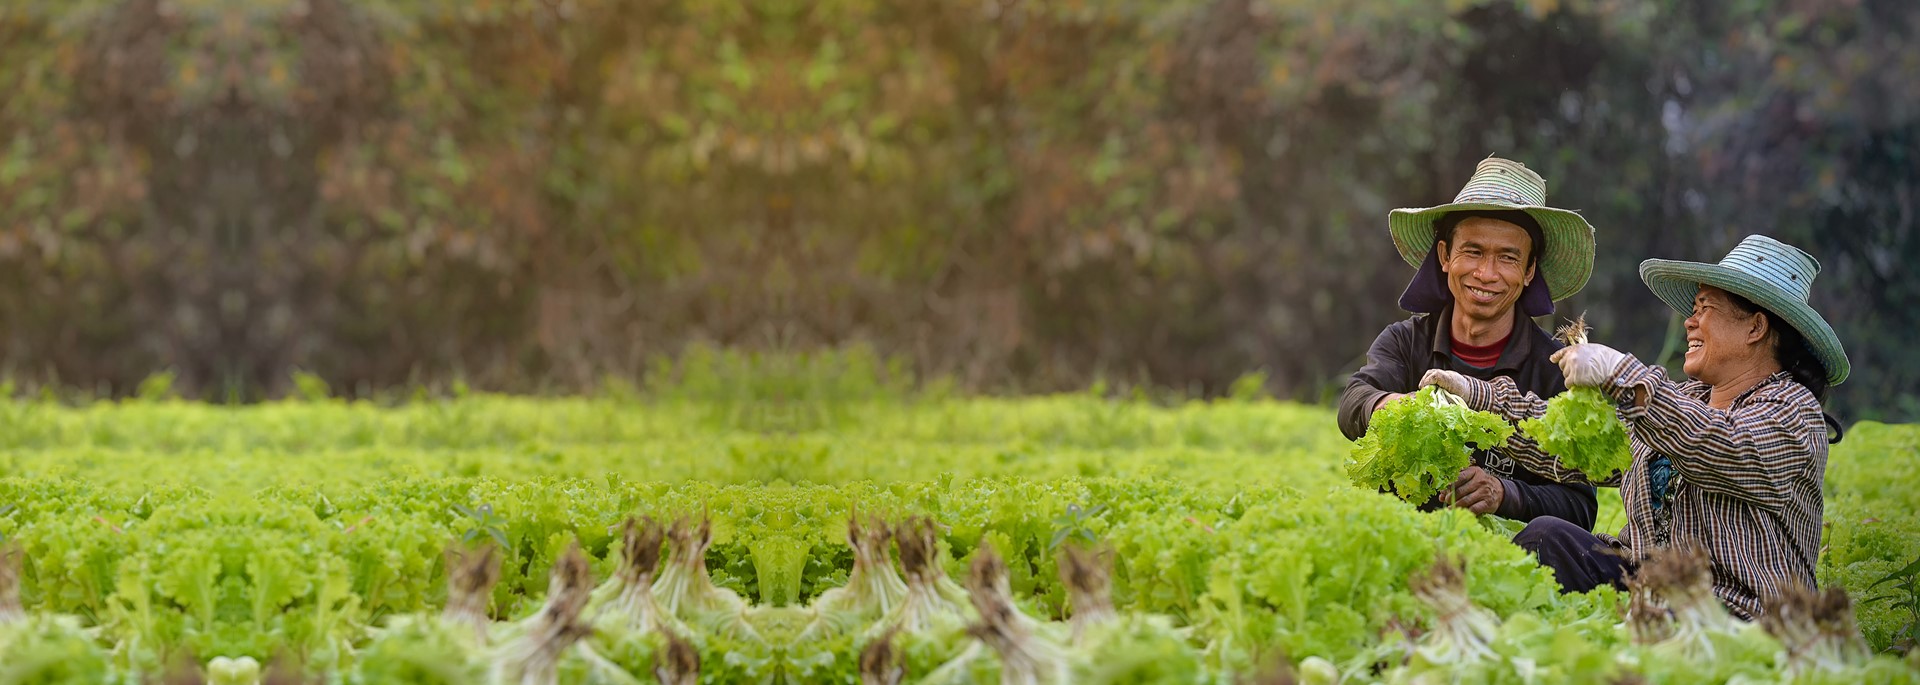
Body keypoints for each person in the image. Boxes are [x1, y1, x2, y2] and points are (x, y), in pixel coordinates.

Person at [1422, 235, 1847, 620]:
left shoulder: (1793, 411)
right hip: (1647, 590)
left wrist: (1620, 375)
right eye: (1692, 310)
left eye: (1704, 311)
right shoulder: (1687, 399)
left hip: (1735, 612)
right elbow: (1577, 448)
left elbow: (1721, 445)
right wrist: (1480, 397)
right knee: (1548, 538)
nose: (1689, 322)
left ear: (1756, 327)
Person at [1340, 156, 1600, 529]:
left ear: (1529, 272)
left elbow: (1580, 507)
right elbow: (1353, 401)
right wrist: (1392, 405)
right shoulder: (1405, 342)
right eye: (1473, 251)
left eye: (1507, 258)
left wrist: (1505, 494)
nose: (1486, 273)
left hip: (1503, 561)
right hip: (1408, 548)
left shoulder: (1556, 371)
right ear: (1445, 256)